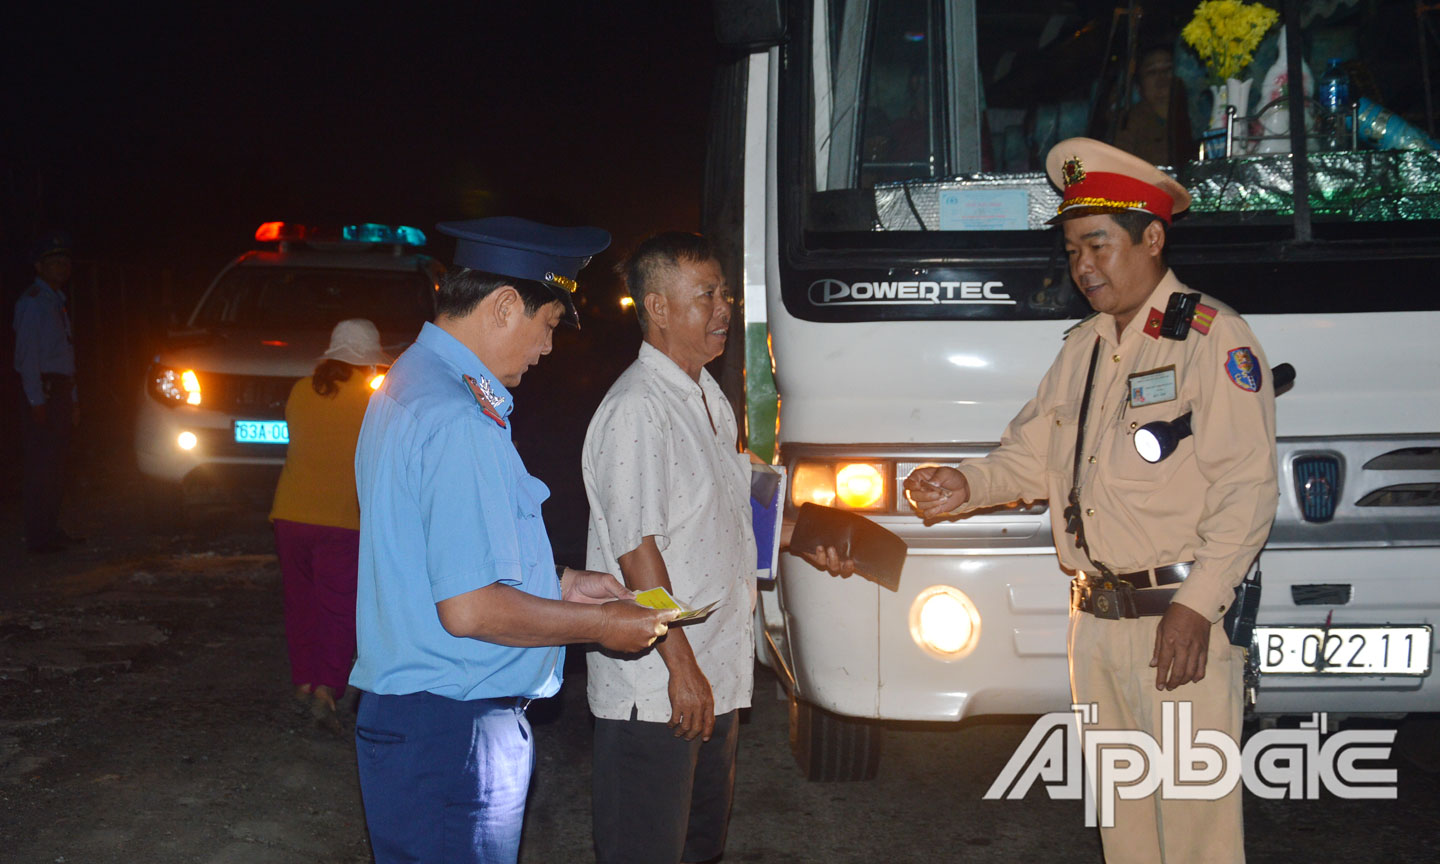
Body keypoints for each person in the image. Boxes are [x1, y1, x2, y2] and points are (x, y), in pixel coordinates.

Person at [905, 139, 1276, 864]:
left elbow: (1248, 487)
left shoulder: (1210, 338)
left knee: (1196, 843)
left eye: (1098, 245)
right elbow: (1033, 455)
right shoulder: (1083, 347)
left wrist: (1197, 606)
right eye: (1073, 249)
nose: (1083, 267)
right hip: (1097, 630)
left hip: (1175, 628)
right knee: (1127, 840)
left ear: (1154, 238)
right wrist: (967, 484)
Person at [348, 216, 678, 864]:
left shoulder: (410, 385)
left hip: (422, 722)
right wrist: (604, 625)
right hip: (453, 728)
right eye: (549, 324)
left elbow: (435, 553)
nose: (548, 348)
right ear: (504, 306)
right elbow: (470, 607)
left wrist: (559, 582)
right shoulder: (457, 420)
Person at [581, 233, 754, 864]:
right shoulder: (638, 408)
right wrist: (681, 667)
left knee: (698, 850)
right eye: (705, 295)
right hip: (658, 692)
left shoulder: (706, 395)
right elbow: (636, 555)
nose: (723, 308)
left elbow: (736, 511)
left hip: (716, 674)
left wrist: (820, 538)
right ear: (657, 308)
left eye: (724, 293)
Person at [269, 318, 389, 733]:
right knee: (337, 609)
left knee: (299, 602)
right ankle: (327, 688)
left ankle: (303, 680)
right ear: (368, 361)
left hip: (289, 515)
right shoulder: (374, 401)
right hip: (343, 520)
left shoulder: (301, 390)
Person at [13, 231, 81, 554]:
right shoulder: (33, 303)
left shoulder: (57, 302)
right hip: (44, 391)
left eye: (65, 261)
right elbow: (28, 358)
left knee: (56, 464)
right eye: (55, 262)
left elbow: (66, 354)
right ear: (39, 267)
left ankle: (50, 529)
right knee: (41, 465)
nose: (62, 267)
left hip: (60, 390)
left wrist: (74, 398)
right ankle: (38, 535)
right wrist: (36, 401)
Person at [1113, 47, 1192, 167]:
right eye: (1152, 72)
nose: (1162, 79)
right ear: (1140, 86)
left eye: (1168, 69)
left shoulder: (1199, 114)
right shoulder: (1128, 124)